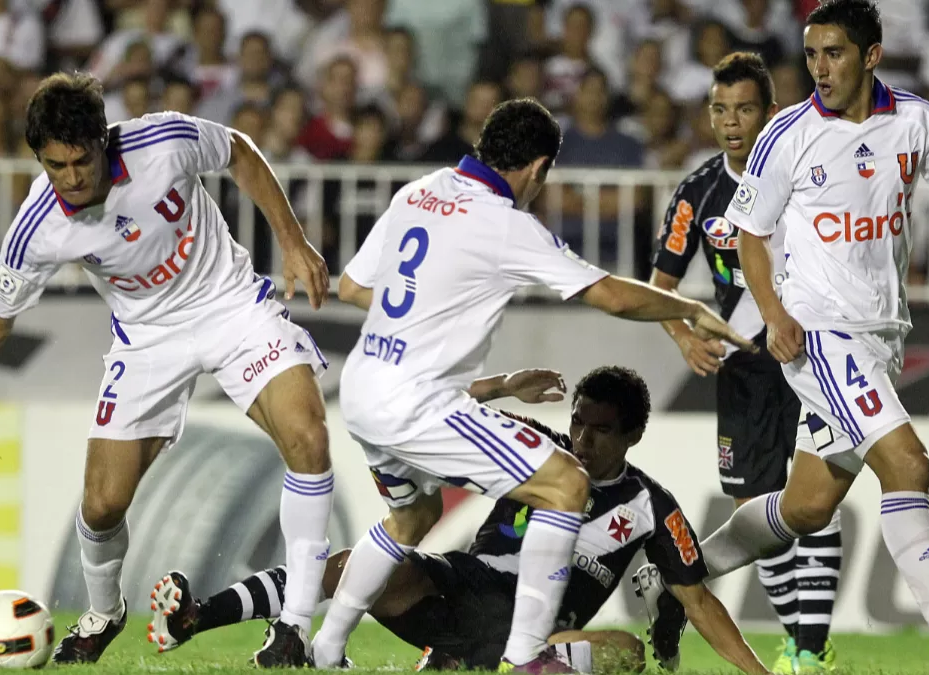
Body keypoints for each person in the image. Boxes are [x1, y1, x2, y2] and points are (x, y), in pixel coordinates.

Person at [0, 72, 335, 668]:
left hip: (231, 306)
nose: (72, 179)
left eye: (81, 161)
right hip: (145, 340)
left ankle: (292, 627)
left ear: (104, 142)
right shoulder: (39, 225)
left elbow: (238, 149)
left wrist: (291, 241)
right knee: (102, 503)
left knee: (308, 438)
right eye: (55, 166)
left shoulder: (164, 143)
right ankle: (104, 611)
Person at [636, 3, 929, 673]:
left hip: (883, 333)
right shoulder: (785, 134)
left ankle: (680, 578)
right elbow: (752, 236)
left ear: (871, 56)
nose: (820, 67)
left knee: (808, 504)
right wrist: (774, 311)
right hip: (820, 333)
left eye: (835, 53)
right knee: (908, 464)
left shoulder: (917, 120)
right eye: (812, 53)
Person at [311, 97, 755, 672]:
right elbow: (612, 296)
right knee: (567, 483)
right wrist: (689, 309)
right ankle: (526, 658)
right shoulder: (506, 225)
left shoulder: (420, 191)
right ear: (540, 168)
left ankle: (324, 648)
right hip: (419, 399)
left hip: (363, 387)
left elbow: (351, 288)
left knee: (409, 520)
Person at [144, 366, 770, 675]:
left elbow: (700, 601)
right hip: (468, 584)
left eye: (600, 431)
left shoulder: (652, 507)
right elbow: (439, 407)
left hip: (543, 634)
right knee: (359, 567)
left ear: (633, 435)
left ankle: (461, 659)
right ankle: (200, 615)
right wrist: (506, 384)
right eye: (578, 421)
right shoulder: (537, 450)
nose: (581, 439)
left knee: (626, 657)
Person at [649, 52, 842, 674]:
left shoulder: (808, 172)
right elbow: (661, 283)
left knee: (817, 499)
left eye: (745, 109)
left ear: (770, 112)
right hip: (745, 364)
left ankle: (810, 651)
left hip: (815, 351)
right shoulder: (698, 191)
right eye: (720, 110)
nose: (732, 123)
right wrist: (682, 336)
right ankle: (797, 643)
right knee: (757, 512)